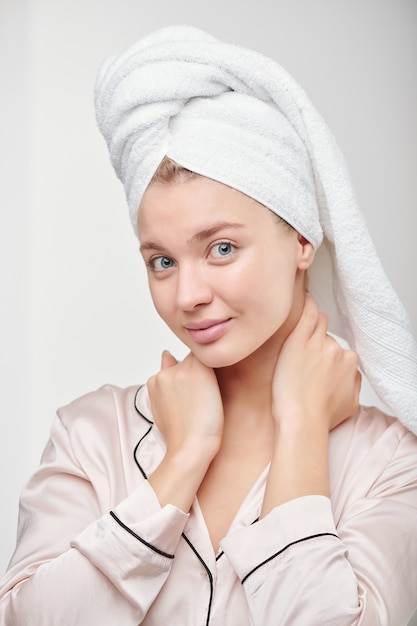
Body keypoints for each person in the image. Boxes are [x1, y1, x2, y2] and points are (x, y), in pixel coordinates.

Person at [1, 25, 416, 626]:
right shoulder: (92, 436)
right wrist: (183, 460)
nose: (188, 295)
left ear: (301, 237)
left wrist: (300, 428)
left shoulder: (390, 464)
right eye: (162, 262)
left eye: (221, 248)